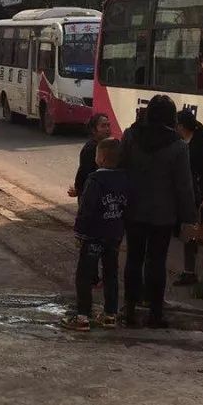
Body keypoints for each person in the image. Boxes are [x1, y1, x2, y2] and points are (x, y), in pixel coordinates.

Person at [118, 94, 197, 328]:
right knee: (156, 262)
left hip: (133, 211)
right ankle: (155, 313)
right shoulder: (178, 146)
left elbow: (120, 168)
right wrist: (189, 218)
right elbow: (184, 186)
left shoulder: (131, 136)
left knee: (134, 258)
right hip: (163, 216)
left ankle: (130, 309)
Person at [62, 137, 130, 331]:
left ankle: (82, 316)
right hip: (114, 235)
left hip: (93, 235)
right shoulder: (125, 178)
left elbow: (87, 209)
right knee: (111, 274)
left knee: (84, 275)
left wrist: (79, 232)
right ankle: (110, 315)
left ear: (99, 158)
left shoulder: (95, 179)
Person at [174, 109, 203, 289]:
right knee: (189, 234)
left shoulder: (202, 144)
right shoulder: (184, 141)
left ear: (181, 126)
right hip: (191, 197)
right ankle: (189, 272)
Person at [69, 113, 112, 198]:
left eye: (108, 125)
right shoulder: (90, 148)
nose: (107, 129)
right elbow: (83, 172)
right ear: (94, 130)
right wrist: (78, 189)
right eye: (103, 126)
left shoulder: (108, 146)